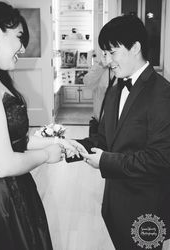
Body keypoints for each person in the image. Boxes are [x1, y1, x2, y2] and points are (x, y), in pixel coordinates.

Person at [0, 2, 80, 250]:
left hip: (12, 192)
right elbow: (3, 164)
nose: (22, 47)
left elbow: (12, 140)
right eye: (19, 37)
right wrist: (45, 156)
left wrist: (57, 142)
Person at [68, 15, 170, 250]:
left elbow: (161, 159)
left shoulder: (162, 94)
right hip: (114, 206)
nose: (107, 60)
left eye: (112, 52)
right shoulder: (115, 89)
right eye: (105, 52)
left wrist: (105, 161)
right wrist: (67, 147)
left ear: (135, 48)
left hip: (147, 211)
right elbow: (104, 139)